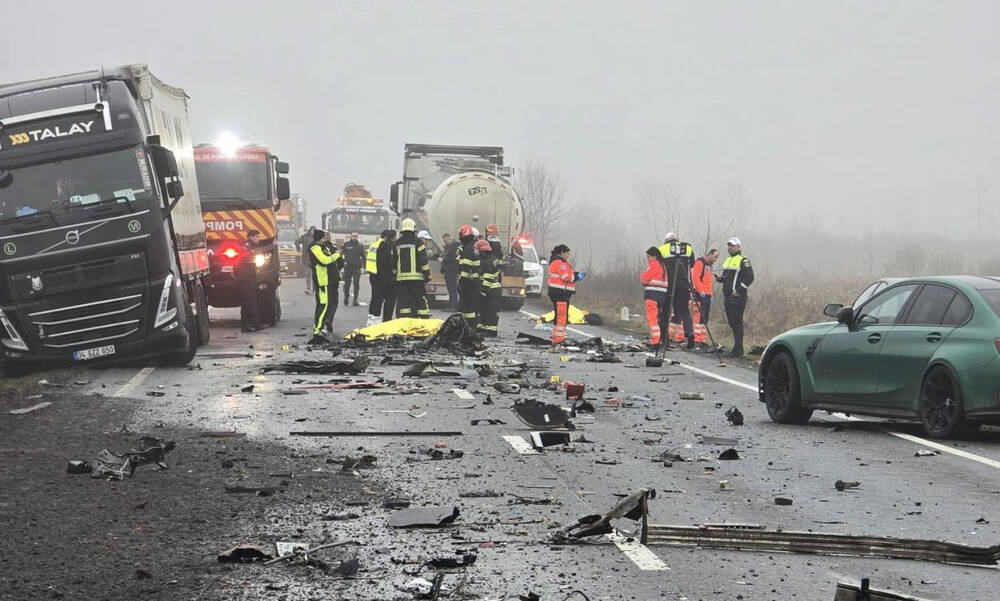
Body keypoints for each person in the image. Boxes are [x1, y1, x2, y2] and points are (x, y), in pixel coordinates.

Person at [716, 237, 754, 357]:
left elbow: (750, 277)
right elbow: (727, 277)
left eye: (732, 245)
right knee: (732, 322)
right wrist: (720, 279)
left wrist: (740, 290)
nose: (730, 248)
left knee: (737, 323)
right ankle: (736, 348)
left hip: (738, 297)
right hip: (728, 297)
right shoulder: (727, 261)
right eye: (728, 245)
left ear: (738, 247)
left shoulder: (744, 260)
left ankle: (738, 349)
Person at [658, 232, 695, 349]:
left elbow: (659, 267)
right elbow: (692, 264)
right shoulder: (687, 248)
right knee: (685, 311)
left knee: (665, 311)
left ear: (666, 240)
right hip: (684, 285)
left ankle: (664, 339)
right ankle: (690, 333)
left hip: (669, 285)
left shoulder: (662, 249)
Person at [309, 229, 344, 337]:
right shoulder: (315, 248)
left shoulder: (324, 247)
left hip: (330, 280)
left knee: (327, 305)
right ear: (320, 238)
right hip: (322, 280)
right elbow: (324, 261)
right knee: (323, 305)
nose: (325, 240)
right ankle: (317, 329)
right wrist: (337, 255)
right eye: (324, 238)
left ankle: (320, 327)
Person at [547, 244, 584, 347]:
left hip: (560, 293)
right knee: (562, 317)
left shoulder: (558, 262)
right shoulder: (559, 263)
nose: (568, 256)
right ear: (562, 253)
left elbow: (566, 274)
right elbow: (566, 277)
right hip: (560, 293)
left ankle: (556, 338)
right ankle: (559, 340)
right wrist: (577, 276)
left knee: (559, 316)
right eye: (567, 253)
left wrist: (575, 274)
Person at [395, 218, 431, 318]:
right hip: (417, 279)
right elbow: (423, 261)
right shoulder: (418, 242)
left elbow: (393, 261)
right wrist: (427, 274)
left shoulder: (397, 243)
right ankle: (424, 322)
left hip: (401, 280)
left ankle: (405, 322)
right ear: (414, 229)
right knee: (420, 300)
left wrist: (395, 274)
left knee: (404, 301)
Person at [237, 229, 265, 333]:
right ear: (251, 237)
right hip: (246, 278)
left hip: (245, 278)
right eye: (257, 237)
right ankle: (256, 324)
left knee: (246, 303)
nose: (259, 239)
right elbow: (246, 261)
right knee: (251, 302)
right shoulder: (248, 248)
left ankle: (246, 326)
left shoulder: (249, 247)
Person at [639, 246, 668, 347]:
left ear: (654, 256)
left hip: (652, 295)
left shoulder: (654, 265)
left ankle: (655, 340)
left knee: (652, 318)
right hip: (662, 295)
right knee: (658, 318)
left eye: (649, 257)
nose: (648, 259)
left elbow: (644, 279)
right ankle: (657, 338)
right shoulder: (664, 266)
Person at [691, 248, 720, 346]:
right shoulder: (700, 262)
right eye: (715, 256)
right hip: (700, 294)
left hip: (707, 295)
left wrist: (710, 295)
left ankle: (701, 339)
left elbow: (708, 282)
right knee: (698, 317)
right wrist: (701, 291)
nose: (716, 259)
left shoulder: (709, 266)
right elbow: (696, 278)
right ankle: (696, 338)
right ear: (710, 254)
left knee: (705, 319)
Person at [476, 239, 501, 337]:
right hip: (494, 289)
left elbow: (488, 278)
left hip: (491, 290)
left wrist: (483, 291)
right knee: (485, 309)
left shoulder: (487, 262)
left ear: (482, 251)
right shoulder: (494, 258)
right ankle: (482, 327)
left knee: (490, 310)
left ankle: (491, 330)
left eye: (478, 250)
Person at [457, 225, 480, 327]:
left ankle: (470, 325)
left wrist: (462, 283)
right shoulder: (473, 247)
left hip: (468, 283)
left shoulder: (467, 249)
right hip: (474, 281)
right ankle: (469, 324)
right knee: (471, 305)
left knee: (468, 305)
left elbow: (465, 269)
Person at [374, 230, 398, 323]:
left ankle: (376, 319)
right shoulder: (392, 248)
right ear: (393, 237)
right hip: (390, 279)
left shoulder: (380, 246)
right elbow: (393, 263)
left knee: (379, 300)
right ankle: (387, 320)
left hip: (380, 278)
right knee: (390, 301)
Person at [366, 230, 388, 326]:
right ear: (386, 237)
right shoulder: (382, 246)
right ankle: (377, 318)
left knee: (374, 297)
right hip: (379, 274)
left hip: (372, 274)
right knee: (379, 298)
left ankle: (371, 317)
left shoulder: (373, 245)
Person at [341, 231, 365, 306]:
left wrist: (365, 267)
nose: (354, 237)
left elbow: (363, 257)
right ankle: (346, 297)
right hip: (348, 267)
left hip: (357, 267)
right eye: (353, 236)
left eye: (356, 236)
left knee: (356, 283)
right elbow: (341, 254)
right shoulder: (346, 244)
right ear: (350, 236)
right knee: (347, 284)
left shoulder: (360, 245)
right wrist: (342, 264)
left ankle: (355, 301)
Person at [438, 232, 461, 310]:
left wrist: (443, 259)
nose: (445, 242)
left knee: (452, 288)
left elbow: (452, 258)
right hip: (447, 270)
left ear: (449, 239)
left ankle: (453, 305)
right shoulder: (447, 248)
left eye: (446, 241)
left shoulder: (454, 247)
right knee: (450, 288)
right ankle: (451, 304)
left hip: (452, 270)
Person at [296, 226, 316, 294]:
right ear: (310, 230)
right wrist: (298, 248)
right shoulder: (305, 236)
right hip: (306, 257)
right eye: (312, 230)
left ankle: (314, 289)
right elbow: (297, 242)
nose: (313, 231)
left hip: (315, 258)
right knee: (308, 273)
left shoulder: (317, 237)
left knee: (314, 274)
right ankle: (308, 288)